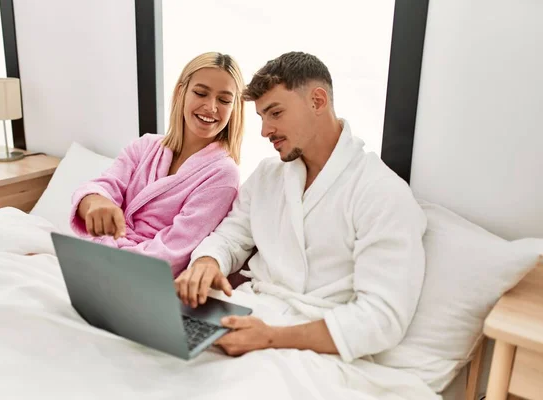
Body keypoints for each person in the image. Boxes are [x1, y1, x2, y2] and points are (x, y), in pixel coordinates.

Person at [175, 52, 427, 360]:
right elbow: (230, 237)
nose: (265, 130)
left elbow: (382, 319)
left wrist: (271, 338)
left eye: (275, 113)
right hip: (247, 316)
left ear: (318, 101)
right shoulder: (268, 175)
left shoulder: (381, 192)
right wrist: (207, 263)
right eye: (262, 118)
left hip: (316, 347)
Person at [70, 52, 245, 277]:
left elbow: (173, 250)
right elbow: (102, 186)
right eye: (201, 93)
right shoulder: (145, 146)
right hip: (99, 255)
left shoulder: (223, 175)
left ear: (235, 108)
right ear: (181, 91)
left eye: (224, 100)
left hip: (140, 274)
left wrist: (108, 257)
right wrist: (95, 201)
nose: (211, 107)